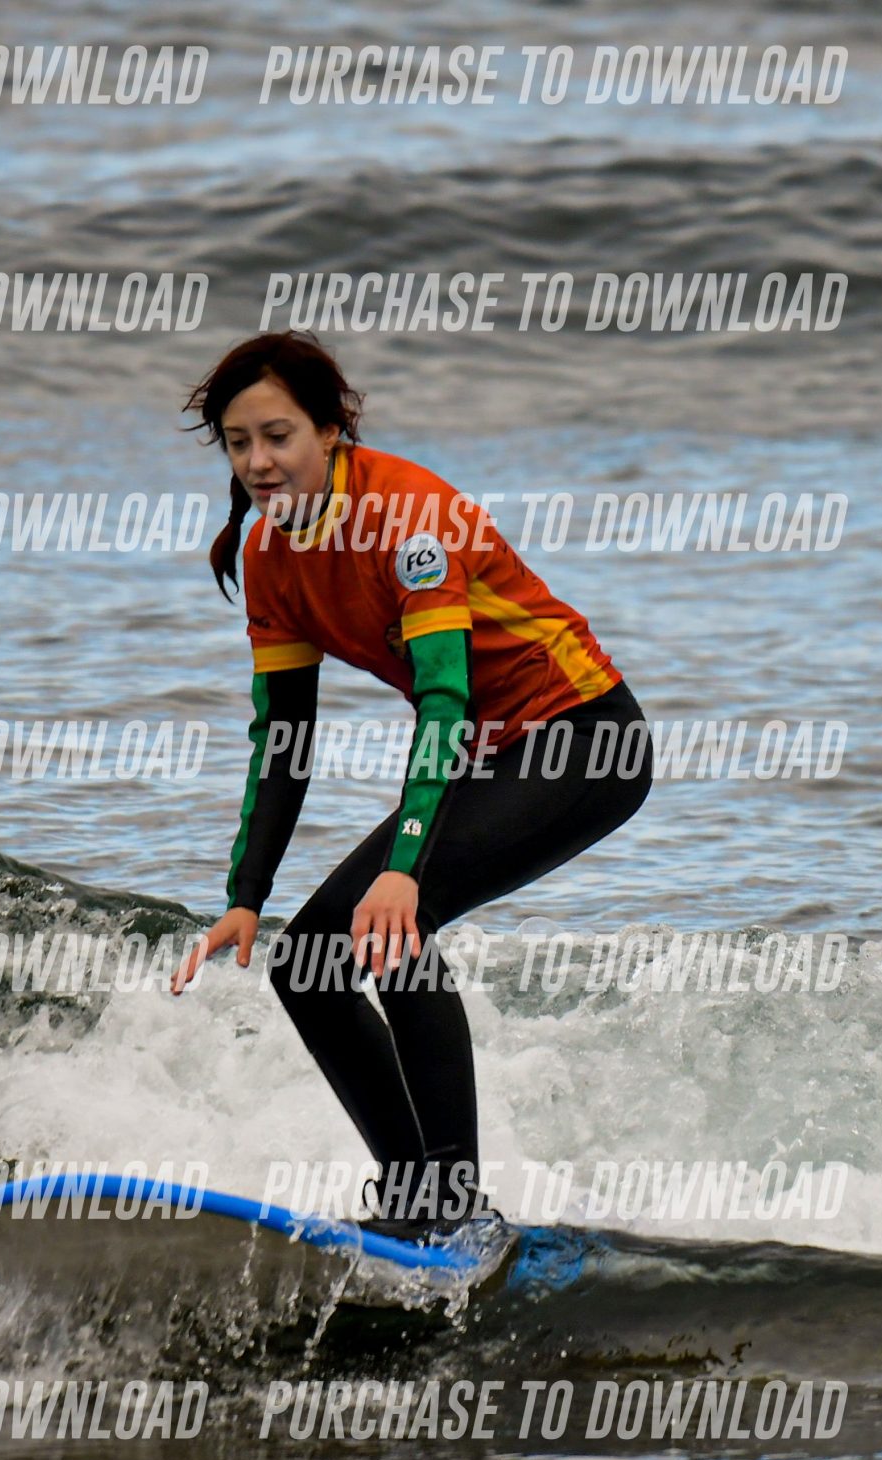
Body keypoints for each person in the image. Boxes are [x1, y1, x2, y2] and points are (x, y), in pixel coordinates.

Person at [169, 333, 651, 1240]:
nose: (259, 461)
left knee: (393, 923)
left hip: (584, 738)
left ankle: (452, 1207)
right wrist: (246, 893)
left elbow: (443, 701)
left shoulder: (408, 517)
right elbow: (284, 738)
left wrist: (404, 867)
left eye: (278, 435)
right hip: (489, 752)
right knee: (307, 962)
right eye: (238, 443)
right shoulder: (270, 556)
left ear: (330, 429)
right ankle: (411, 1200)